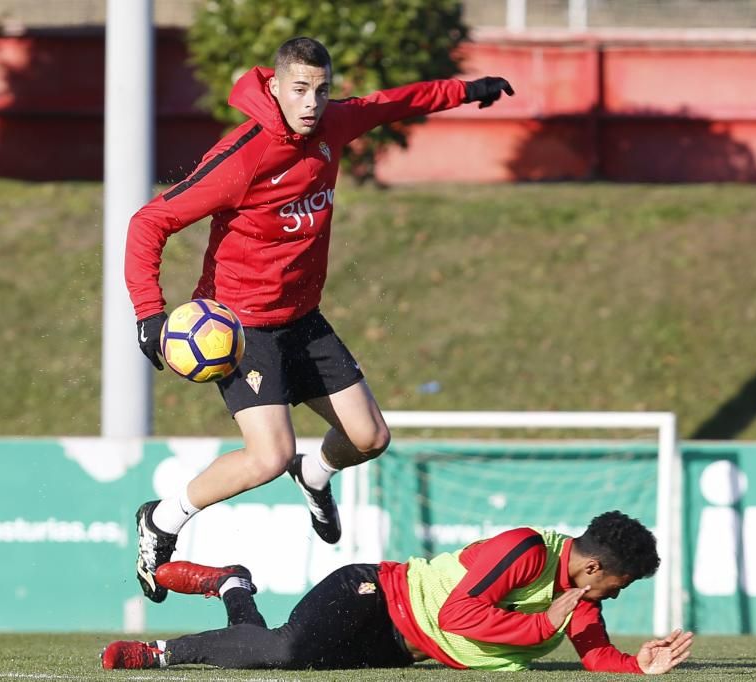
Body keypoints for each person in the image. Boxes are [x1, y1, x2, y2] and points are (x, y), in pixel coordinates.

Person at [124, 35, 515, 603]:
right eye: (301, 89)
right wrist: (149, 315)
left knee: (371, 437)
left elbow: (393, 103)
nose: (312, 102)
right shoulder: (244, 156)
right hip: (237, 328)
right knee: (269, 455)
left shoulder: (332, 126)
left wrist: (466, 90)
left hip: (302, 319)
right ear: (277, 87)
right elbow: (148, 222)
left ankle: (316, 475)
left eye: (322, 90)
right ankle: (162, 520)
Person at [102, 510, 694, 673]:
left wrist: (637, 666)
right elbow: (461, 615)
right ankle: (159, 655)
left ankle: (232, 584)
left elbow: (593, 655)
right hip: (375, 596)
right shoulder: (527, 551)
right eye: (619, 585)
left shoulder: (580, 597)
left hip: (403, 647)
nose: (616, 596)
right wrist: (542, 625)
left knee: (273, 651)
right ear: (593, 569)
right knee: (284, 653)